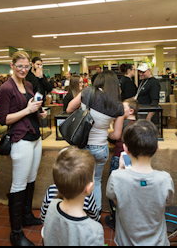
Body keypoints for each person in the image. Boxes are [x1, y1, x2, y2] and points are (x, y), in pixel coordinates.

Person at [0, 51, 47, 246]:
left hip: (35, 136)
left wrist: (38, 113)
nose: (24, 70)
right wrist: (27, 110)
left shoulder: (27, 84)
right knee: (18, 185)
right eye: (20, 66)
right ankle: (16, 233)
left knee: (31, 179)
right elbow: (3, 119)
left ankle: (26, 216)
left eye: (27, 66)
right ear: (12, 65)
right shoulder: (5, 88)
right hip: (20, 139)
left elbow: (31, 108)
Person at [106, 119, 174, 246]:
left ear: (125, 149)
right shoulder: (165, 179)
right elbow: (167, 202)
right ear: (157, 148)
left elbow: (116, 201)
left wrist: (120, 169)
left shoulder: (117, 177)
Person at [67, 70, 125, 213]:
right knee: (96, 181)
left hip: (83, 146)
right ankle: (96, 212)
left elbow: (69, 108)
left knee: (82, 182)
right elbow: (117, 135)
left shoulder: (88, 93)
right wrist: (105, 130)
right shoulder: (119, 106)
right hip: (101, 148)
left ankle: (81, 212)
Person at [43, 147, 104, 246]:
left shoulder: (52, 205)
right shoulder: (95, 231)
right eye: (93, 176)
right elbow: (94, 216)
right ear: (89, 188)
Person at [105, 98, 139, 230]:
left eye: (122, 108)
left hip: (118, 158)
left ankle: (115, 219)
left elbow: (113, 138)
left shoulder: (122, 123)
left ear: (130, 111)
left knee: (114, 190)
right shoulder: (138, 125)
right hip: (133, 161)